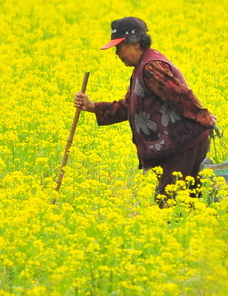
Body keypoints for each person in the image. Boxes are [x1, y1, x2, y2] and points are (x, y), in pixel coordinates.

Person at [73, 16, 218, 206]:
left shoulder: (151, 66)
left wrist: (205, 118)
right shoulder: (142, 67)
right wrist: (92, 107)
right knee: (183, 205)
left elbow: (181, 97)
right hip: (178, 148)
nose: (117, 53)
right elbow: (128, 106)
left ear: (135, 43)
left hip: (185, 147)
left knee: (168, 205)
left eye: (119, 47)